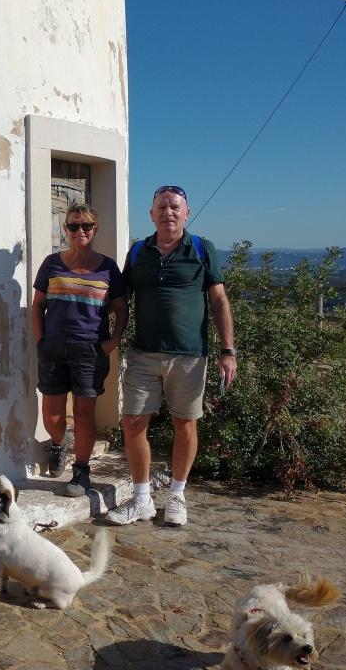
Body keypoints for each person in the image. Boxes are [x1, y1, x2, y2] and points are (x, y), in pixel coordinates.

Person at [106, 185, 237, 527]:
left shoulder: (200, 249)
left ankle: (177, 494)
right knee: (133, 421)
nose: (168, 212)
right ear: (151, 214)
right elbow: (121, 301)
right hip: (143, 353)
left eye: (175, 207)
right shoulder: (137, 252)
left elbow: (220, 301)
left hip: (190, 356)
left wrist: (228, 350)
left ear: (186, 213)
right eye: (161, 206)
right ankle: (142, 499)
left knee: (185, 423)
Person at [31, 203, 127, 496]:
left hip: (90, 350)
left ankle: (81, 471)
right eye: (74, 226)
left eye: (86, 226)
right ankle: (59, 444)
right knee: (51, 414)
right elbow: (38, 305)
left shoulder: (108, 267)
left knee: (85, 413)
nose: (80, 231)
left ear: (95, 230)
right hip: (54, 348)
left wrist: (112, 342)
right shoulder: (51, 263)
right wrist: (41, 341)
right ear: (66, 229)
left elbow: (122, 310)